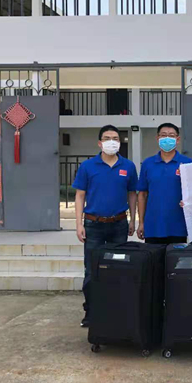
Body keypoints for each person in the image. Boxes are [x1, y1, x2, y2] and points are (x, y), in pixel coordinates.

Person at [73, 125, 138, 328]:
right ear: (100, 143)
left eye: (116, 138)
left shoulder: (128, 166)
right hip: (93, 225)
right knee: (92, 271)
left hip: (119, 225)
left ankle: (115, 310)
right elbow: (80, 195)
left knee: (118, 269)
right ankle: (91, 312)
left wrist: (133, 220)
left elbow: (132, 194)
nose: (112, 141)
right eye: (108, 138)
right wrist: (78, 224)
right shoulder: (88, 166)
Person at [137, 123, 192, 244]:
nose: (167, 138)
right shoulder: (148, 163)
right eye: (163, 135)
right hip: (153, 225)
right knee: (152, 257)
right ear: (157, 138)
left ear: (178, 139)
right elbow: (142, 195)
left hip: (178, 226)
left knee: (176, 256)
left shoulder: (187, 163)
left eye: (171, 135)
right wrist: (141, 222)